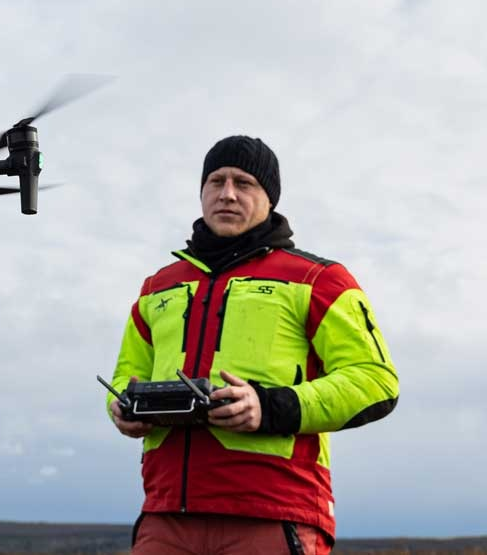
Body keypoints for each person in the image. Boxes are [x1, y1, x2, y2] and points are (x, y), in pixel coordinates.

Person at [107, 135, 399, 555]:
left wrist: (267, 407)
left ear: (270, 199)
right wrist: (121, 407)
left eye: (244, 183)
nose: (227, 194)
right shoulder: (157, 288)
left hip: (274, 511)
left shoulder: (319, 279)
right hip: (165, 512)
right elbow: (125, 375)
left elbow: (376, 381)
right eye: (216, 181)